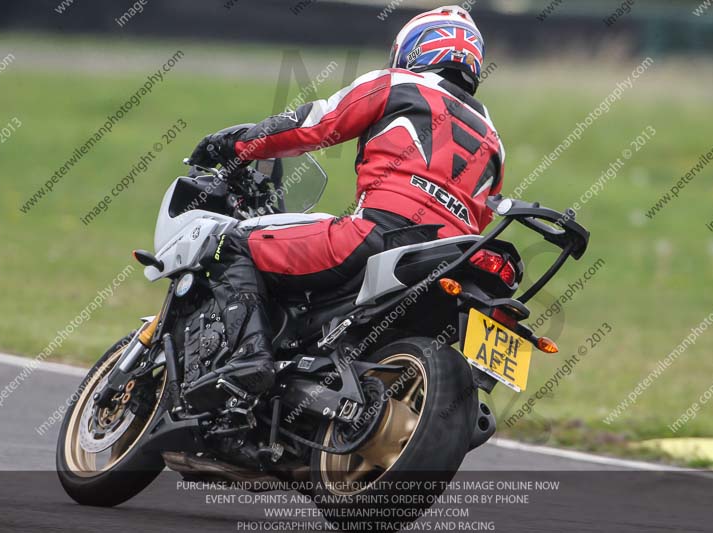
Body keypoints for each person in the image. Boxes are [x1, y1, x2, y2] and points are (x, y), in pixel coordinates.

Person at [187, 5, 505, 400]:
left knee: (229, 244)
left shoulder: (396, 84)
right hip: (453, 256)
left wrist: (234, 144)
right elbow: (484, 212)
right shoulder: (494, 139)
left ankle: (250, 360)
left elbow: (314, 124)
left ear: (414, 49)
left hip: (379, 234)